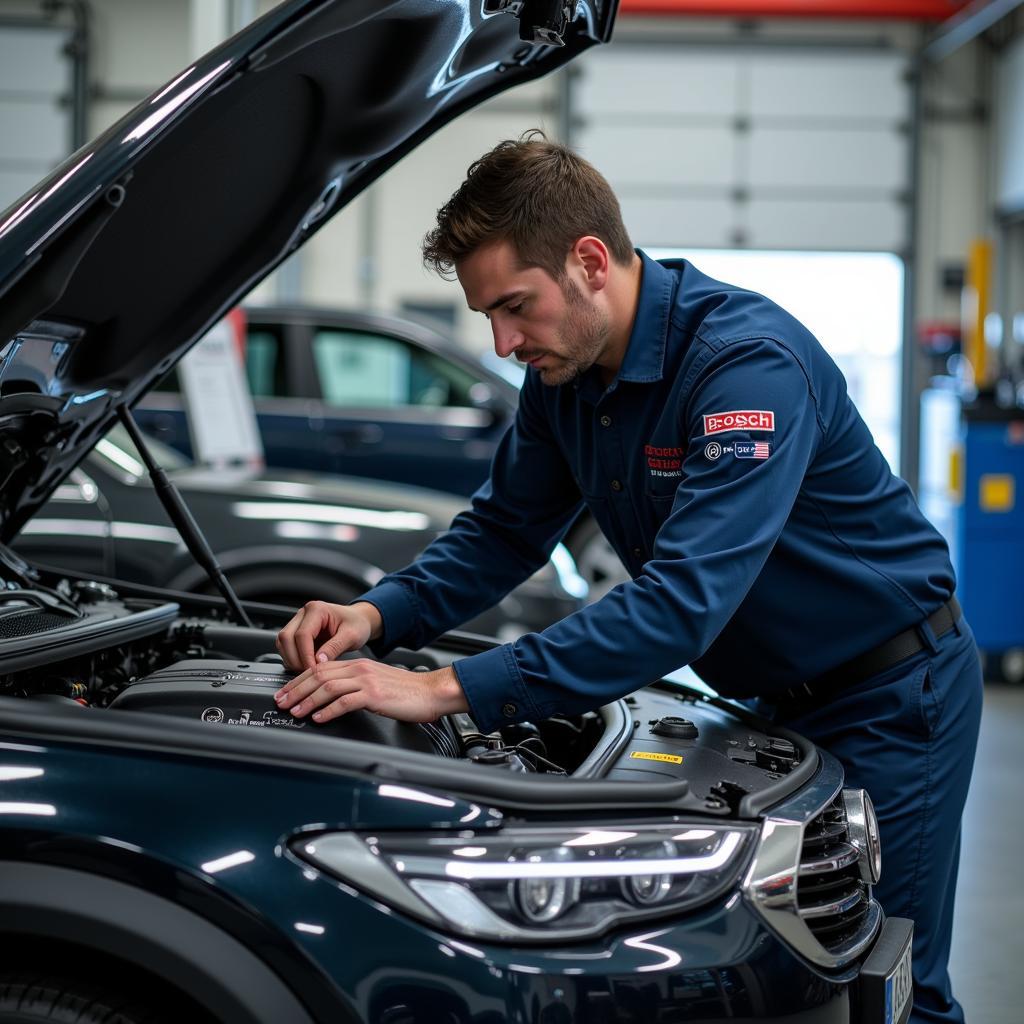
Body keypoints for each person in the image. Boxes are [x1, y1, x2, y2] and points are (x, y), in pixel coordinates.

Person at [274, 133, 982, 1023]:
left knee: (892, 992)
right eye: (489, 315)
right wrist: (376, 616)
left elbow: (681, 604)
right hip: (774, 700)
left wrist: (446, 689)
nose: (501, 342)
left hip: (891, 691)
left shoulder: (744, 365)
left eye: (515, 307)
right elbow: (501, 532)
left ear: (590, 262)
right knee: (801, 986)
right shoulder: (564, 377)